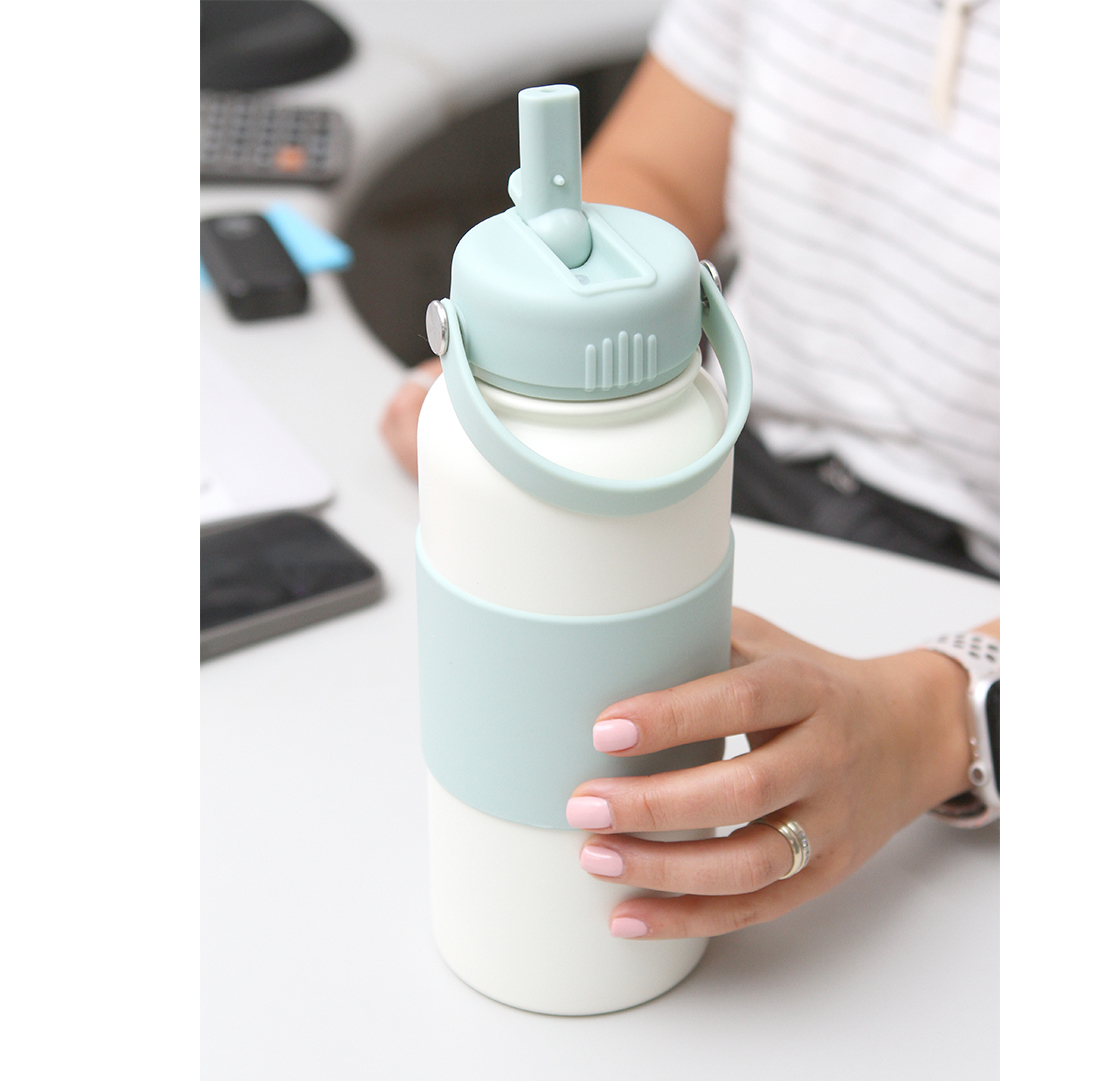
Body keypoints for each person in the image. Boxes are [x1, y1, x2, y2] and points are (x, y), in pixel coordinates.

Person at [380, 0, 1000, 941]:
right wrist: (514, 372)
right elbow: (651, 180)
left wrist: (937, 719)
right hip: (737, 458)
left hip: (969, 573)